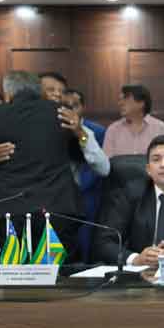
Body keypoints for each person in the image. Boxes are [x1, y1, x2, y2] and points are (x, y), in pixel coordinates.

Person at [0, 71, 84, 258]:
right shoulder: (62, 112)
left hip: (7, 211)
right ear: (39, 91)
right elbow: (78, 154)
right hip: (57, 210)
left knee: (10, 278)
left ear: (8, 94)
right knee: (56, 279)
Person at [94, 135, 164, 266]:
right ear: (148, 169)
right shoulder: (131, 193)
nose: (163, 164)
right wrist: (135, 259)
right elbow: (104, 242)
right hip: (141, 278)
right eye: (156, 160)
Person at [63, 88, 109, 261]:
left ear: (82, 107)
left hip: (89, 193)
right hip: (62, 195)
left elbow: (102, 166)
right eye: (66, 106)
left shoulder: (95, 130)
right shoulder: (53, 129)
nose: (71, 110)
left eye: (75, 106)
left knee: (88, 242)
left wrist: (80, 134)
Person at [103, 84, 164, 157]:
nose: (120, 103)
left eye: (125, 99)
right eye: (120, 100)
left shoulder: (161, 129)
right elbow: (106, 164)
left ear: (141, 103)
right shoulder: (113, 130)